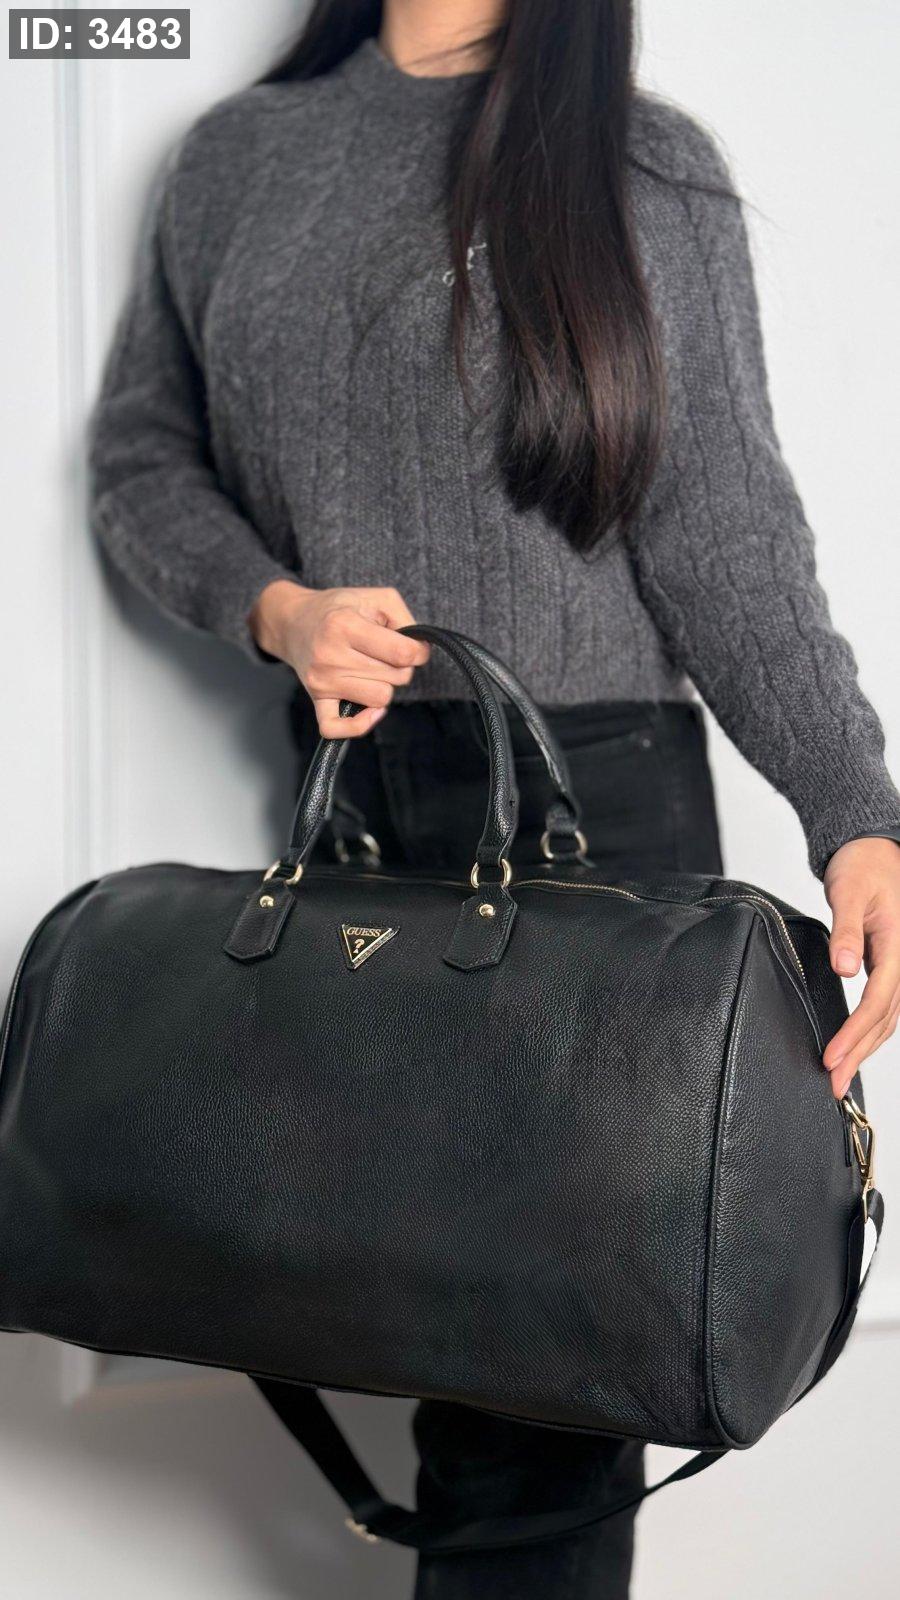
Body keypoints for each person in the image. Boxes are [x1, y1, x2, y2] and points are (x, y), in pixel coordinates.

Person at [88, 1, 900, 1593]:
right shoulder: (239, 160)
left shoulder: (639, 167)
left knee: (552, 1377)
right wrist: (278, 609)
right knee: (424, 1325)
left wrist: (853, 805)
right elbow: (141, 461)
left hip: (604, 816)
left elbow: (725, 528)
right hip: (361, 811)